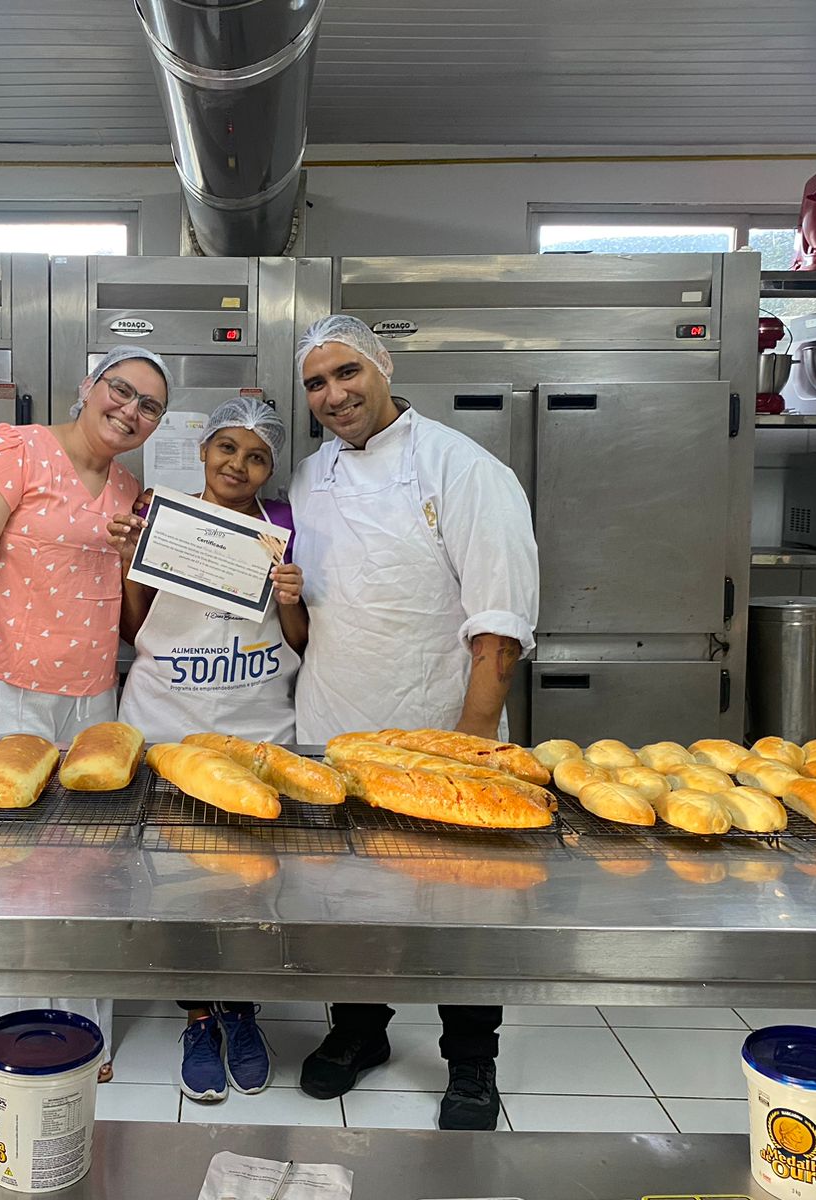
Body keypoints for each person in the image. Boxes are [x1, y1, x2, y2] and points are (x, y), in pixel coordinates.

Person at [288, 315, 539, 1130]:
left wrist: (469, 748)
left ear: (383, 367)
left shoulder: (462, 467)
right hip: (336, 724)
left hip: (441, 730)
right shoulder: (310, 478)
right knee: (348, 894)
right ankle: (360, 1030)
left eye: (347, 373)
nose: (334, 395)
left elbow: (499, 620)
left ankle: (471, 1060)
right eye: (316, 383)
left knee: (465, 902)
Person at [0, 345, 172, 1084]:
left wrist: (137, 556)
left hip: (90, 697)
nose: (129, 411)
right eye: (120, 390)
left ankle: (78, 1035)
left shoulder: (128, 488)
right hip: (4, 688)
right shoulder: (16, 450)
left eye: (149, 407)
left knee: (83, 866)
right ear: (89, 386)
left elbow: (123, 605)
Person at [107, 396, 304, 1103]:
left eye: (256, 457)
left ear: (270, 468)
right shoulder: (165, 520)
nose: (238, 466)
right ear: (202, 449)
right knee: (176, 875)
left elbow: (303, 641)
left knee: (255, 878)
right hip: (170, 722)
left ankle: (242, 1008)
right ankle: (197, 1017)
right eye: (227, 448)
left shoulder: (285, 528)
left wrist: (291, 599)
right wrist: (130, 563)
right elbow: (135, 629)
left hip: (257, 727)